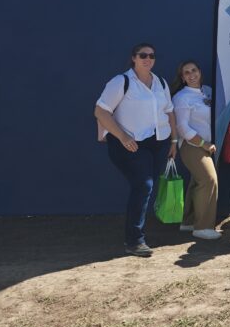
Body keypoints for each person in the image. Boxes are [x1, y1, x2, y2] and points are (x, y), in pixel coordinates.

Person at [94, 43, 177, 257]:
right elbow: (100, 112)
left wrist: (174, 141)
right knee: (143, 185)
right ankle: (134, 240)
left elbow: (169, 112)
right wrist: (122, 137)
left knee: (145, 187)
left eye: (151, 55)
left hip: (159, 142)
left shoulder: (160, 82)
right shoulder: (121, 82)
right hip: (130, 143)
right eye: (143, 55)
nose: (148, 59)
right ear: (134, 58)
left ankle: (138, 232)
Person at [170, 60, 221, 240]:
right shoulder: (181, 97)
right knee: (209, 180)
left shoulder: (208, 91)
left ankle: (188, 221)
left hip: (208, 145)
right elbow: (182, 127)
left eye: (194, 70)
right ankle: (202, 227)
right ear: (182, 78)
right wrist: (203, 144)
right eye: (186, 73)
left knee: (197, 182)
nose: (191, 75)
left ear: (200, 71)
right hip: (192, 146)